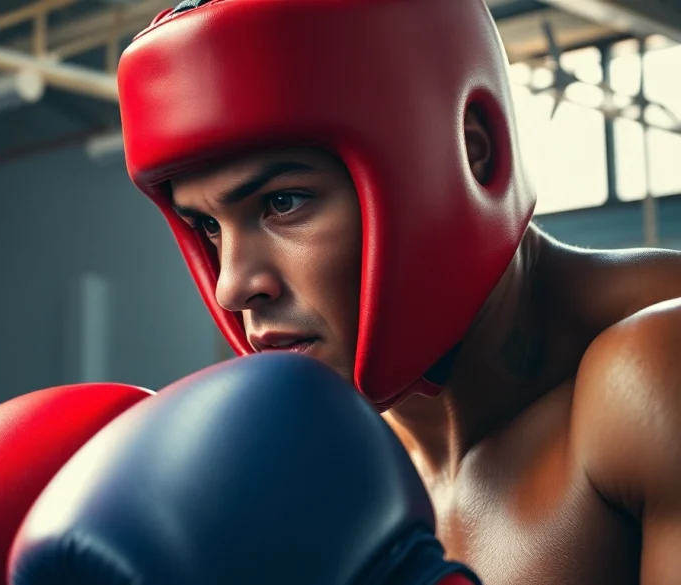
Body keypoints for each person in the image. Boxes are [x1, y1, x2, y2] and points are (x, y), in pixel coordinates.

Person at [112, 0, 681, 583]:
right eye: (207, 225)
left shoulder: (657, 369)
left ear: (472, 151)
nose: (233, 286)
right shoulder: (324, 465)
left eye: (283, 202)